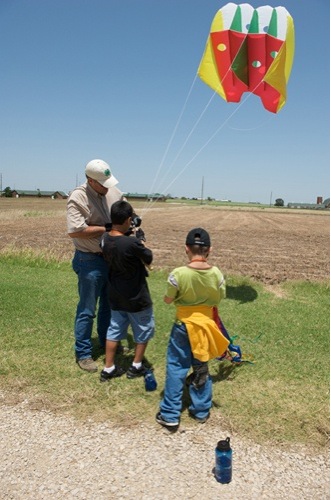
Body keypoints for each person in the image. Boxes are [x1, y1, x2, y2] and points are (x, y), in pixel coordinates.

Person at [156, 228, 229, 430]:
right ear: (209, 250)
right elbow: (220, 297)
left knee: (176, 367)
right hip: (206, 327)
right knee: (201, 368)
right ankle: (201, 411)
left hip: (182, 326)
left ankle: (170, 414)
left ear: (186, 249)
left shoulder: (177, 274)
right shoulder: (217, 274)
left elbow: (168, 299)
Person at [67, 159, 123, 372]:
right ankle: (83, 354)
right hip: (89, 259)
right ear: (90, 180)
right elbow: (75, 230)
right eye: (102, 182)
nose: (107, 186)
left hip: (111, 259)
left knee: (109, 306)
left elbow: (125, 211)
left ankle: (105, 341)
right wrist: (106, 228)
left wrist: (132, 222)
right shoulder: (78, 196)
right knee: (88, 309)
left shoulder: (114, 191)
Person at [99, 200, 155, 382]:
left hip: (115, 296)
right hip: (136, 298)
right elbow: (148, 257)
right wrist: (140, 240)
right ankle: (136, 365)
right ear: (128, 219)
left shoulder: (104, 239)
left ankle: (108, 367)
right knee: (143, 330)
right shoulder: (132, 244)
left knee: (114, 330)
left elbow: (118, 242)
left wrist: (132, 236)